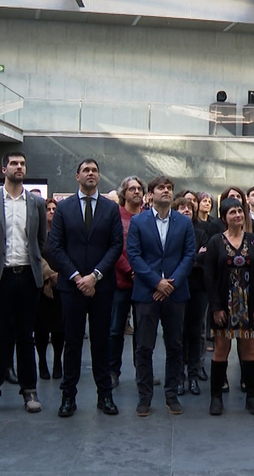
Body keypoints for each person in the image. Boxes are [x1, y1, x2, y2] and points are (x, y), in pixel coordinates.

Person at [47, 158, 124, 417]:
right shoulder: (63, 208)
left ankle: (105, 396)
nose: (91, 174)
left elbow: (116, 246)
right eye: (86, 170)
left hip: (102, 287)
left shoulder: (110, 208)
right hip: (72, 287)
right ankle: (68, 396)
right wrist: (77, 277)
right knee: (72, 343)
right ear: (77, 176)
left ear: (99, 177)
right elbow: (54, 246)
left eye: (95, 170)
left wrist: (95, 276)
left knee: (101, 342)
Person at [0, 151, 47, 416]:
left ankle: (29, 390)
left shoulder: (36, 203)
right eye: (14, 163)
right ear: (3, 168)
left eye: (23, 164)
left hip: (28, 276)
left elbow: (41, 240)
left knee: (26, 336)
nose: (19, 167)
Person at [127, 176, 196, 417]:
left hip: (176, 294)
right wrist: (157, 282)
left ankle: (171, 394)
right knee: (144, 347)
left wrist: (171, 284)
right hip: (147, 293)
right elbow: (134, 256)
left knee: (175, 346)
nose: (166, 191)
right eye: (160, 188)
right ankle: (144, 397)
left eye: (169, 188)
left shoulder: (184, 222)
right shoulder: (138, 222)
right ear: (150, 195)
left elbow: (189, 256)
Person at [203, 198, 254, 415]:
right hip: (224, 305)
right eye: (232, 212)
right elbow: (209, 277)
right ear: (224, 218)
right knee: (221, 349)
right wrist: (215, 307)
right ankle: (215, 398)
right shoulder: (215, 242)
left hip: (249, 305)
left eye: (240, 211)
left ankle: (252, 396)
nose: (238, 215)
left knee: (249, 350)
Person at [109, 176, 144, 389]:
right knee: (115, 330)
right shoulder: (115, 216)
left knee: (142, 332)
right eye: (132, 189)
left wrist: (141, 272)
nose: (136, 192)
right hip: (120, 282)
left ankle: (142, 371)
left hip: (143, 283)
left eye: (140, 189)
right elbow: (113, 247)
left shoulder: (149, 217)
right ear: (124, 193)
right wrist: (130, 270)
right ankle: (113, 371)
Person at [175, 196, 208, 397]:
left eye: (189, 208)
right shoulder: (170, 233)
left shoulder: (201, 233)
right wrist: (193, 259)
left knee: (195, 333)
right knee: (177, 335)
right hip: (177, 288)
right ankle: (179, 377)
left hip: (198, 288)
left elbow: (205, 257)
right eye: (181, 207)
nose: (187, 210)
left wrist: (188, 260)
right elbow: (172, 258)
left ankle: (193, 376)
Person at [35, 198, 63, 381]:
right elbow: (34, 256)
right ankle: (42, 361)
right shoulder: (36, 235)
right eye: (48, 209)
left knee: (59, 327)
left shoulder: (63, 234)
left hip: (61, 286)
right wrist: (48, 275)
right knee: (41, 327)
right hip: (40, 286)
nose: (51, 211)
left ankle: (57, 361)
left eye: (54, 209)